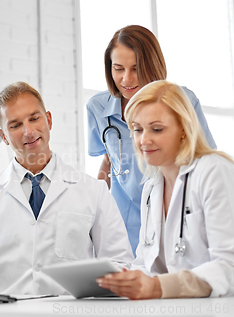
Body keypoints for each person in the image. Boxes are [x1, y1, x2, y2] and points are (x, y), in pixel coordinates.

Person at [0, 81, 134, 295]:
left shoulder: (93, 191)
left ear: (49, 120)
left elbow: (120, 262)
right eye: (15, 125)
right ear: (3, 136)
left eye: (34, 118)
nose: (29, 131)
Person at [96, 80, 234, 299]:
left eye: (157, 129)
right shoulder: (151, 187)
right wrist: (113, 283)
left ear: (184, 130)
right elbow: (147, 265)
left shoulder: (214, 172)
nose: (144, 140)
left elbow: (233, 268)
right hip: (190, 306)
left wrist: (157, 287)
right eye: (137, 129)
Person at [86, 25, 216, 255]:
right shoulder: (97, 107)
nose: (126, 79)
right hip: (123, 219)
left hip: (175, 210)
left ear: (152, 65)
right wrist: (91, 206)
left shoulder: (183, 100)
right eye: (118, 68)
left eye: (136, 69)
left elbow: (205, 159)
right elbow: (109, 159)